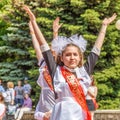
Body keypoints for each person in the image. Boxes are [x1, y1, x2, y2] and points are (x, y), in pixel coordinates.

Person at [23, 5, 116, 120]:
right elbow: (44, 46)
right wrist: (34, 22)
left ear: (80, 57)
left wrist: (104, 26)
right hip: (61, 113)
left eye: (75, 54)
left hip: (80, 113)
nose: (72, 57)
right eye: (68, 55)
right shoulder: (55, 70)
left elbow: (96, 50)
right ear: (61, 58)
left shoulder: (84, 72)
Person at [28, 17, 62, 120]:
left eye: (53, 52)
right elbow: (37, 48)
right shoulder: (43, 62)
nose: (51, 53)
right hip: (44, 98)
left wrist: (55, 33)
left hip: (55, 96)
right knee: (39, 116)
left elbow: (55, 48)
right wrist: (32, 32)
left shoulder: (58, 66)